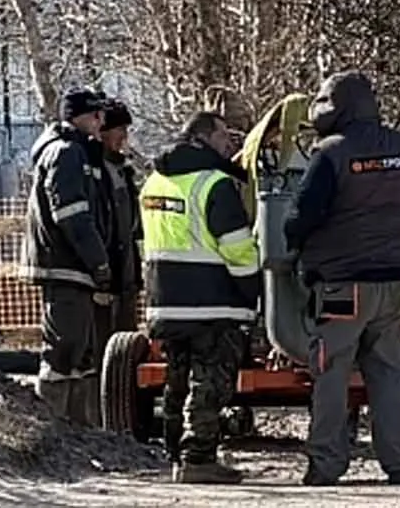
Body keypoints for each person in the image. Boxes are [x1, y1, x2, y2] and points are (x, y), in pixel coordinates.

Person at [284, 69, 400, 488]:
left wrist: (292, 246)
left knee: (331, 368)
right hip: (395, 281)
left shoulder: (331, 152)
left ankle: (325, 464)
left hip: (341, 283)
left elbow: (302, 215)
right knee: (389, 369)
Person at [139, 110, 260, 486]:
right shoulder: (214, 185)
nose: (230, 145)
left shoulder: (153, 182)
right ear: (205, 138)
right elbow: (238, 248)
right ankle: (199, 458)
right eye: (224, 137)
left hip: (165, 300)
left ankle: (175, 454)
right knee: (209, 382)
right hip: (212, 302)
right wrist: (253, 292)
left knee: (177, 380)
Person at [18, 85, 114, 426]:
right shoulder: (67, 153)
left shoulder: (77, 152)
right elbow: (72, 215)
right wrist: (98, 261)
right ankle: (53, 428)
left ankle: (77, 431)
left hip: (72, 267)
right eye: (97, 115)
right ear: (83, 117)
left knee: (79, 352)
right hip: (66, 267)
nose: (102, 122)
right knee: (64, 349)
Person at [97, 98, 143, 337]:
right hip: (106, 270)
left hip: (126, 270)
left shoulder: (123, 170)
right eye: (120, 130)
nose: (124, 136)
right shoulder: (92, 170)